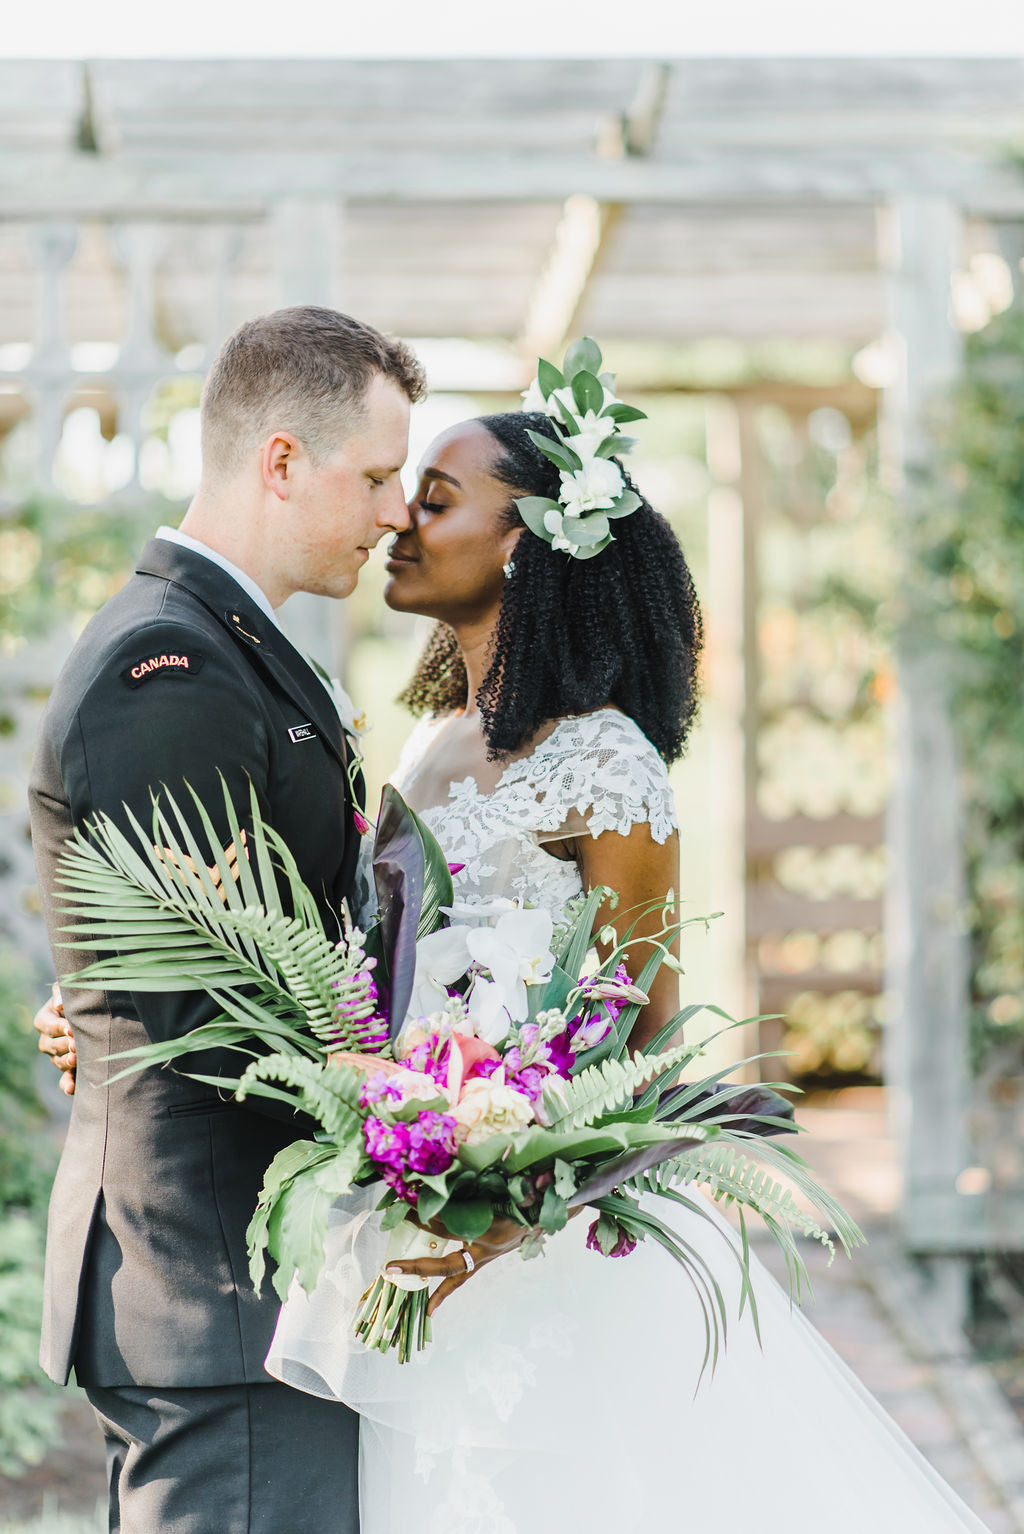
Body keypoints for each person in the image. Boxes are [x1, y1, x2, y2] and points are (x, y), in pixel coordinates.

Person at [40, 397, 991, 1532]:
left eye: (434, 500)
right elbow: (361, 966)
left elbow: (638, 1030)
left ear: (526, 540)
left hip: (542, 1243)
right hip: (412, 1221)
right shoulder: (431, 745)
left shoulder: (606, 759)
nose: (398, 520)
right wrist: (113, 1014)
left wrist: (510, 1191)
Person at [28, 305, 424, 1534]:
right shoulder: (172, 667)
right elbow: (209, 1001)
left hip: (251, 1281)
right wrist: (431, 1098)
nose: (396, 509)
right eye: (377, 474)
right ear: (282, 460)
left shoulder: (224, 643)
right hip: (212, 1283)